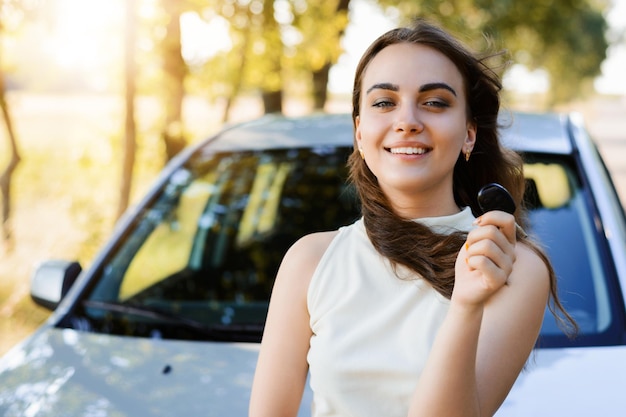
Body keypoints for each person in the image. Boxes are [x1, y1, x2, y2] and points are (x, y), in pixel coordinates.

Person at [249, 19, 576, 417]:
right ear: (359, 131)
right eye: (384, 102)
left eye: (435, 102)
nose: (407, 121)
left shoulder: (511, 267)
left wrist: (466, 304)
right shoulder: (309, 261)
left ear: (469, 133)